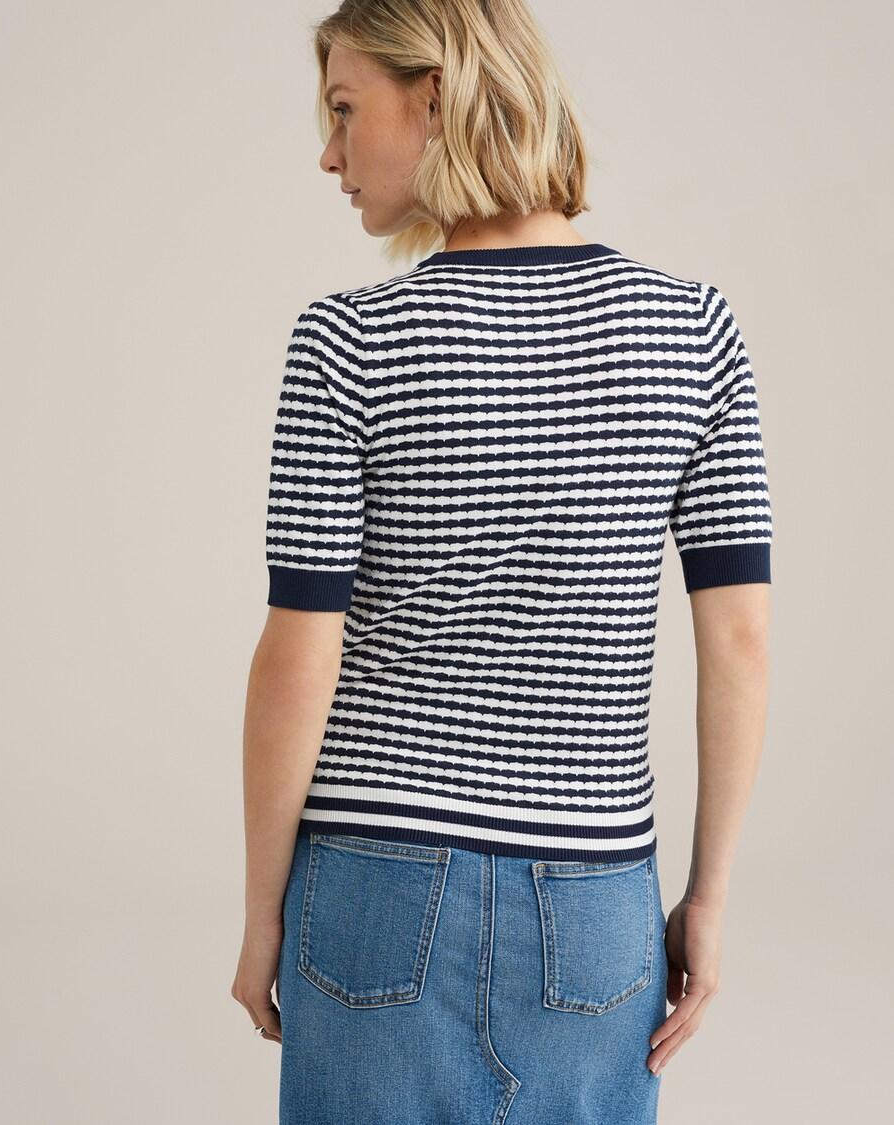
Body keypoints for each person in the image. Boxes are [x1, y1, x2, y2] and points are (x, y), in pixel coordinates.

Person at [231, 2, 773, 1122]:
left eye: (344, 110)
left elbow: (299, 655)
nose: (328, 153)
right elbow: (740, 640)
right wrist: (709, 900)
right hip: (594, 901)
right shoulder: (695, 329)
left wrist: (263, 910)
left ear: (433, 97)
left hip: (372, 886)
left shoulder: (347, 341)